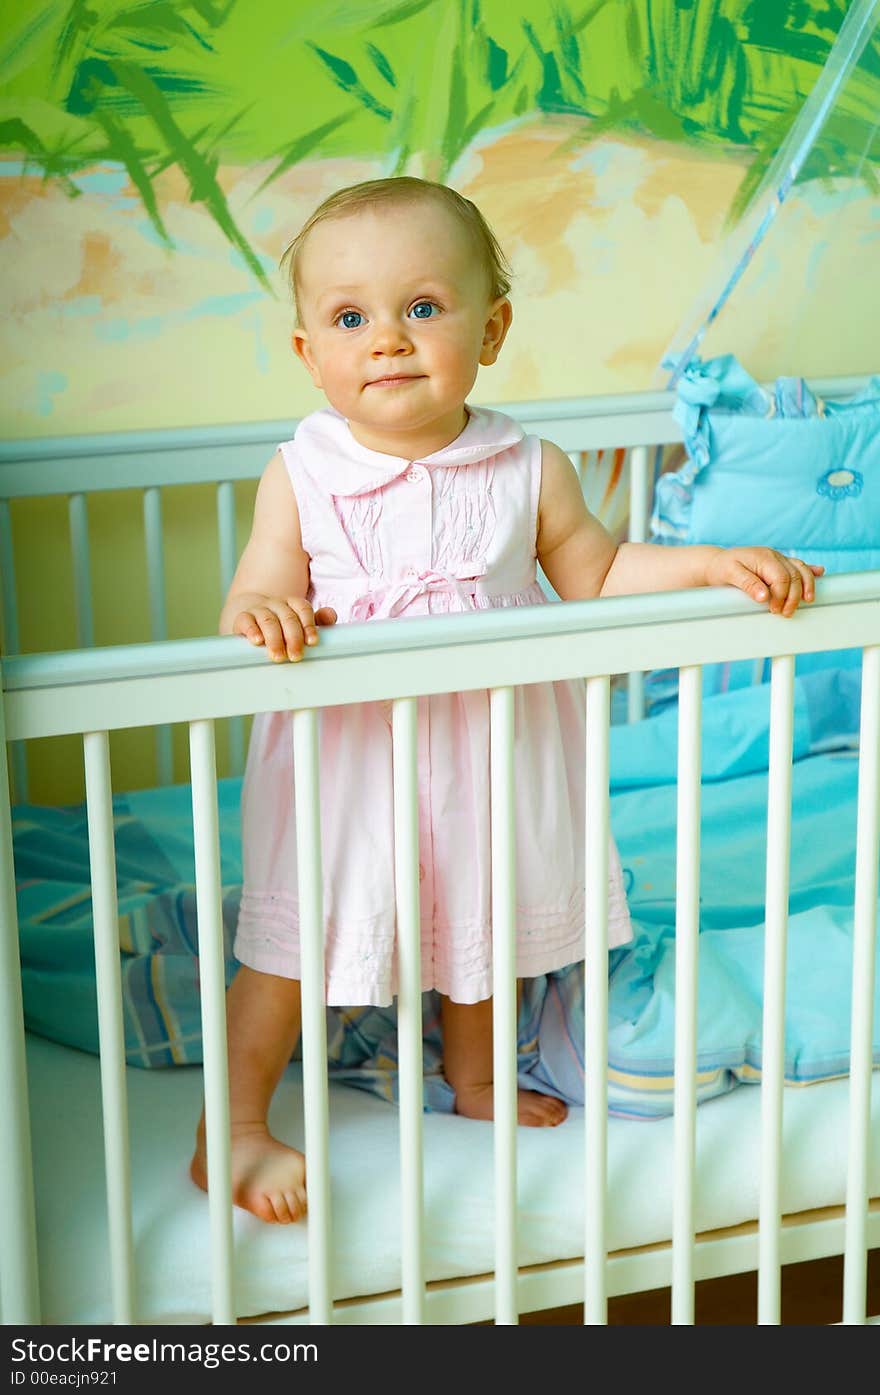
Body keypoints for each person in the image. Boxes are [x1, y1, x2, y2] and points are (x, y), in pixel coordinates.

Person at [189, 176, 822, 1224]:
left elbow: (599, 571)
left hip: (488, 749)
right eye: (351, 318)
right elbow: (256, 587)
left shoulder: (530, 467)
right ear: (310, 352)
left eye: (422, 308)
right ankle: (238, 1124)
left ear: (491, 329)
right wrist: (265, 613)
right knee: (292, 941)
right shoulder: (299, 475)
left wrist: (712, 563)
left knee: (476, 917)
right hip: (345, 768)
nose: (387, 339)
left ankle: (475, 1078)